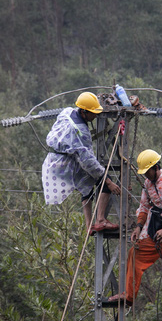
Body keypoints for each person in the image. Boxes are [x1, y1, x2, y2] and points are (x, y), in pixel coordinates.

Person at [108, 149, 162, 306]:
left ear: (156, 167)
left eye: (148, 172)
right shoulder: (148, 183)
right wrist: (138, 227)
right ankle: (128, 293)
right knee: (132, 253)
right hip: (154, 225)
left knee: (137, 256)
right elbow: (144, 206)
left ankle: (129, 296)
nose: (146, 175)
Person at [42, 91, 121, 233]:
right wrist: (106, 179)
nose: (95, 115)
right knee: (104, 181)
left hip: (54, 160)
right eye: (93, 113)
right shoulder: (81, 131)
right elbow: (88, 161)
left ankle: (89, 225)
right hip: (66, 164)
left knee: (86, 184)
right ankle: (100, 220)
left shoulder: (67, 112)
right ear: (84, 112)